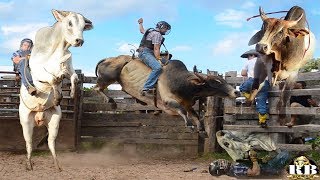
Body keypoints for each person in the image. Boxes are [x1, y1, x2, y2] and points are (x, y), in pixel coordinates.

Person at [137, 18, 171, 96]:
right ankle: (146, 87)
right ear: (161, 27)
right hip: (146, 53)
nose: (166, 31)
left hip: (146, 52)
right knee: (158, 67)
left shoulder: (151, 31)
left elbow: (142, 31)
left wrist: (140, 23)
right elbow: (156, 48)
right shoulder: (157, 34)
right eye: (165, 28)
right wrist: (158, 59)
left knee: (165, 63)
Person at [239, 49, 270, 128]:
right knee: (261, 102)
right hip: (264, 83)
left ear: (253, 55)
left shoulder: (249, 62)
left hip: (253, 81)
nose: (247, 58)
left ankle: (250, 98)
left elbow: (243, 73)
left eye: (248, 56)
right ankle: (262, 121)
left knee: (242, 88)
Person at [209, 150, 290, 177]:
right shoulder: (236, 170)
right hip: (268, 170)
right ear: (221, 170)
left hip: (263, 167)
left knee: (276, 155)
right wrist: (254, 160)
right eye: (221, 164)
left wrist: (259, 160)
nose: (223, 161)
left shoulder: (230, 170)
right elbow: (256, 172)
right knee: (286, 154)